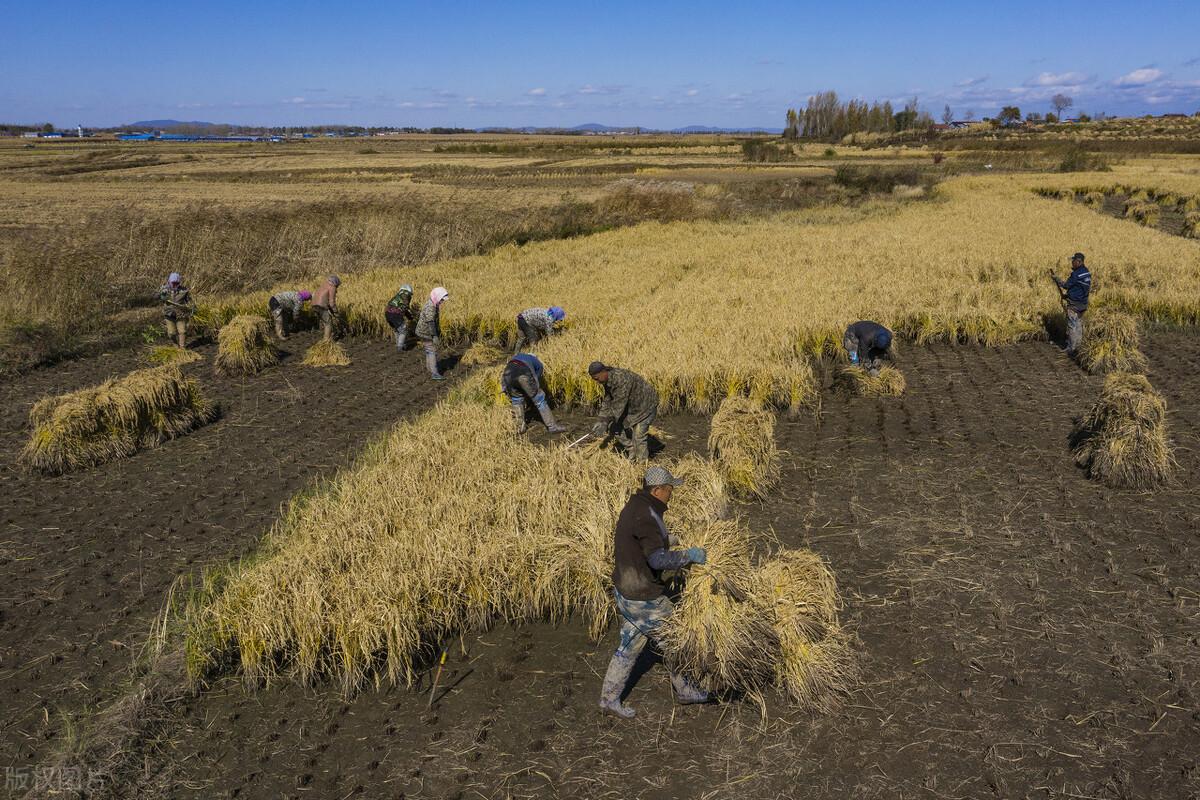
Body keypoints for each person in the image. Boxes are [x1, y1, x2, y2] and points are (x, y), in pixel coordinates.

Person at [599, 465, 710, 718]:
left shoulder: (637, 506)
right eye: (670, 489)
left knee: (630, 644)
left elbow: (641, 541)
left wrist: (670, 540)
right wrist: (687, 556)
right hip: (642, 597)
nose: (672, 493)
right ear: (658, 490)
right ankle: (685, 690)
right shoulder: (647, 515)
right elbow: (657, 561)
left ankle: (608, 699)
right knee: (676, 638)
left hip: (626, 591)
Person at [589, 362, 659, 462]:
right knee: (613, 427)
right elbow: (608, 400)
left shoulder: (621, 380)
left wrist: (605, 422)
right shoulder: (607, 380)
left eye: (596, 378)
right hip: (632, 406)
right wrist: (601, 420)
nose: (597, 381)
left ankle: (642, 464)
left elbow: (618, 405)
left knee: (639, 437)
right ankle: (632, 449)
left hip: (646, 406)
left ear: (603, 371)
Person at [502, 353, 566, 434]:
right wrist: (535, 391)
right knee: (539, 400)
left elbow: (505, 376)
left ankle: (520, 428)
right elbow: (536, 376)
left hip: (507, 375)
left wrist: (504, 388)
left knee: (516, 400)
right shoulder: (536, 361)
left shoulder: (516, 357)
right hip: (523, 373)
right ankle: (552, 427)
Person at [1051, 252, 1093, 356]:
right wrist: (1068, 295)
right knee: (1078, 324)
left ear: (1079, 262)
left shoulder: (1076, 274)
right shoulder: (1086, 272)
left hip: (1074, 305)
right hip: (1083, 303)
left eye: (1073, 261)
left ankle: (1071, 349)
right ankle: (1078, 345)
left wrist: (1056, 279)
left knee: (1072, 325)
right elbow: (1079, 288)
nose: (1072, 263)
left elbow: (1065, 285)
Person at [416, 286, 449, 380]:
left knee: (428, 350)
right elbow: (431, 323)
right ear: (437, 297)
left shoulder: (433, 303)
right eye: (441, 299)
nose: (442, 302)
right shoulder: (431, 307)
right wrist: (434, 336)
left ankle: (429, 368)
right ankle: (434, 373)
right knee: (432, 350)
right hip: (425, 332)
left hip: (422, 331)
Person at [158, 272, 194, 349]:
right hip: (169, 314)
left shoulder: (184, 291)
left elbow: (190, 301)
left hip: (180, 314)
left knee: (182, 331)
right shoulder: (164, 289)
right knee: (171, 333)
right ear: (169, 281)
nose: (174, 285)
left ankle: (182, 348)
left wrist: (192, 307)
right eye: (173, 283)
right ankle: (175, 344)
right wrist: (161, 295)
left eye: (176, 283)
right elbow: (156, 297)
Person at [385, 284, 416, 351]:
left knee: (397, 330)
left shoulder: (397, 296)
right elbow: (405, 307)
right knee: (403, 330)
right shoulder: (405, 294)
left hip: (387, 314)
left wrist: (409, 317)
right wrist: (411, 316)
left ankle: (400, 344)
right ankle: (400, 347)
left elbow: (403, 309)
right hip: (395, 314)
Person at [312, 275, 341, 341]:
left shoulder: (323, 285)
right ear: (335, 283)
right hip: (321, 306)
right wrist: (336, 312)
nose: (337, 288)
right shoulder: (332, 287)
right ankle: (326, 341)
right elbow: (332, 302)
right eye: (337, 286)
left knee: (324, 321)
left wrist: (331, 311)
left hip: (313, 305)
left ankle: (325, 337)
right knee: (328, 323)